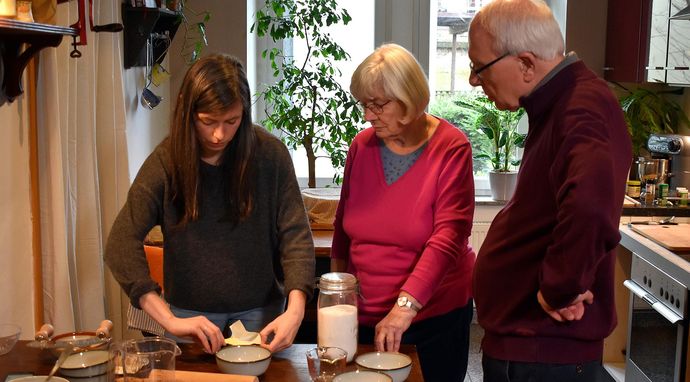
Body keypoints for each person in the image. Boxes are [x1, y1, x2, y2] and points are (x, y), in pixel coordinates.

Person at [104, 54, 315, 354]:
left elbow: (296, 237)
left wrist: (295, 310)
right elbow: (120, 243)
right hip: (189, 317)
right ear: (188, 113)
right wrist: (167, 319)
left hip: (262, 312)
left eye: (232, 121)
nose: (219, 134)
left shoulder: (270, 155)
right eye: (208, 122)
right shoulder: (167, 161)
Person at [469, 1, 632, 381]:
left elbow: (590, 208)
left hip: (543, 357)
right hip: (534, 352)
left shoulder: (582, 106)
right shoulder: (562, 104)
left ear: (526, 63)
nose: (474, 80)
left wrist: (558, 289)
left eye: (480, 67)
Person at [331, 43, 476, 381]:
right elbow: (342, 228)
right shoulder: (361, 146)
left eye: (379, 104)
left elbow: (449, 237)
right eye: (364, 104)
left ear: (409, 99)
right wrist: (340, 297)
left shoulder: (452, 147)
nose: (368, 115)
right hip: (365, 317)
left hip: (430, 317)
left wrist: (404, 308)